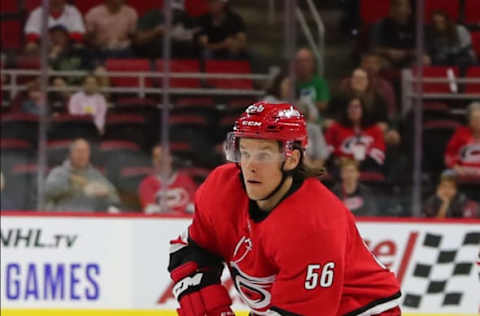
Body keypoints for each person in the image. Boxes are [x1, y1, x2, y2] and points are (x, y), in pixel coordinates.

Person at [167, 102, 401, 315]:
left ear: (291, 159)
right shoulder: (222, 188)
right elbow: (191, 252)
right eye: (245, 152)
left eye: (264, 155)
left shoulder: (314, 224)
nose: (249, 166)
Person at [44, 138, 120, 212]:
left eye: (85, 151)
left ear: (89, 154)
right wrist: (77, 186)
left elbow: (115, 198)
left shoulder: (96, 175)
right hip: (62, 219)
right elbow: (48, 191)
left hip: (89, 220)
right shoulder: (59, 173)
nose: (81, 154)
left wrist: (106, 193)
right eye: (78, 151)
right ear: (71, 153)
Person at [325, 97, 386, 172]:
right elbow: (327, 149)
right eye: (350, 107)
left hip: (368, 167)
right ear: (346, 110)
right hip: (340, 167)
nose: (353, 110)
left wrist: (358, 162)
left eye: (357, 107)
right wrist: (339, 159)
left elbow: (379, 153)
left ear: (363, 110)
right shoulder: (334, 128)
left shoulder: (375, 130)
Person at [138, 145, 196, 214]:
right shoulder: (147, 184)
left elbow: (194, 208)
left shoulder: (186, 181)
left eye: (165, 157)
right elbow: (150, 211)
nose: (162, 161)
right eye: (158, 158)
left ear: (170, 158)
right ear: (154, 162)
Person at [134, 0, 199, 58]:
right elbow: (138, 39)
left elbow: (197, 39)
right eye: (171, 10)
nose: (174, 14)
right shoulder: (153, 15)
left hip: (182, 61)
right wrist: (156, 32)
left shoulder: (185, 18)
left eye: (177, 11)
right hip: (156, 58)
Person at [371, 0, 416, 69]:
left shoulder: (416, 26)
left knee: (424, 60)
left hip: (409, 60)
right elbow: (374, 48)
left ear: (409, 9)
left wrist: (405, 53)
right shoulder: (381, 25)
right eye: (395, 6)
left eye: (401, 6)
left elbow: (422, 50)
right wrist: (388, 51)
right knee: (377, 62)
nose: (399, 9)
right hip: (386, 59)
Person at [445, 102, 480, 178]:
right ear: (469, 121)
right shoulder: (460, 133)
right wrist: (456, 167)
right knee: (447, 174)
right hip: (463, 170)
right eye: (475, 119)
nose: (478, 122)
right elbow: (449, 155)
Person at [295, 48, 330, 117]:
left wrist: (304, 105)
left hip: (314, 120)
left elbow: (323, 104)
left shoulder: (320, 82)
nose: (303, 64)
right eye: (299, 61)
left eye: (306, 61)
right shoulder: (290, 83)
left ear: (312, 63)